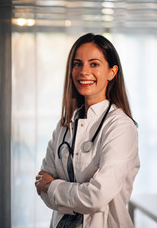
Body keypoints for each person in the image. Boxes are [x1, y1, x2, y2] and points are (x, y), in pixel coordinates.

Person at [35, 33, 140, 228]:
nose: (84, 71)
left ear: (112, 72)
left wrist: (52, 186)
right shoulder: (65, 125)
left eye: (94, 64)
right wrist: (73, 193)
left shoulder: (120, 127)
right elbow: (42, 183)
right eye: (77, 64)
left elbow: (96, 196)